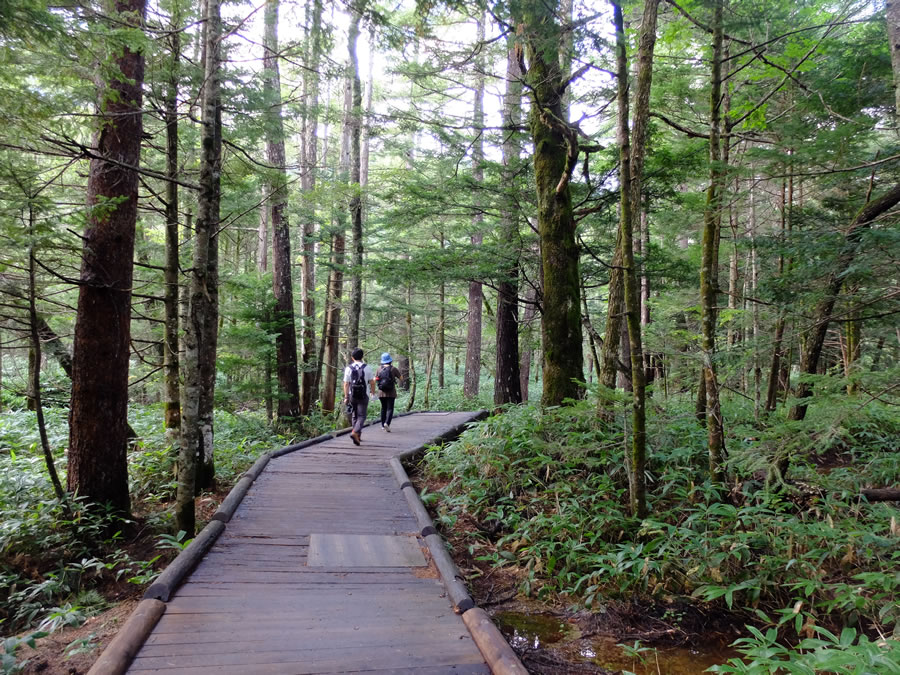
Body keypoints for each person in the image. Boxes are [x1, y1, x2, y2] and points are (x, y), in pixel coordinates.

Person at [342, 347, 375, 445]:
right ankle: (355, 432)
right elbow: (372, 382)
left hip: (352, 395)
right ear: (362, 357)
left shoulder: (349, 368)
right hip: (364, 395)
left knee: (355, 415)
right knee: (362, 416)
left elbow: (346, 384)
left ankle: (357, 436)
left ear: (352, 358)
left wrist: (346, 396)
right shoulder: (367, 367)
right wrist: (373, 392)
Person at [374, 353, 402, 432]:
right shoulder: (393, 369)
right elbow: (401, 378)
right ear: (390, 360)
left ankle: (383, 425)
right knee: (390, 408)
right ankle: (387, 423)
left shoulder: (379, 369)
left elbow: (375, 379)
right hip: (391, 392)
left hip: (381, 392)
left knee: (383, 408)